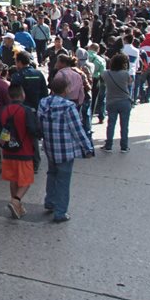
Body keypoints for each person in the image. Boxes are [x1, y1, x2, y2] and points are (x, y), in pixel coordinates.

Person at [38, 74, 95, 223]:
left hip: (50, 146)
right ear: (66, 90)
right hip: (65, 149)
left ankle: (50, 201)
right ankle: (60, 212)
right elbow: (77, 130)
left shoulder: (43, 103)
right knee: (63, 180)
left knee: (52, 174)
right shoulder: (68, 106)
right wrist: (88, 148)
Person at [0, 83, 40, 218]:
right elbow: (33, 130)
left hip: (8, 150)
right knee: (27, 180)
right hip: (24, 150)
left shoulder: (4, 110)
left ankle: (16, 205)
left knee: (13, 178)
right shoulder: (26, 110)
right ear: (22, 95)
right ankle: (15, 200)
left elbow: (1, 130)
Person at [102, 53, 134, 152]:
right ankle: (124, 146)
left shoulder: (106, 73)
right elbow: (130, 82)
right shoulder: (125, 74)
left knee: (111, 124)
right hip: (124, 101)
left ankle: (108, 145)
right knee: (124, 125)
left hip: (111, 101)